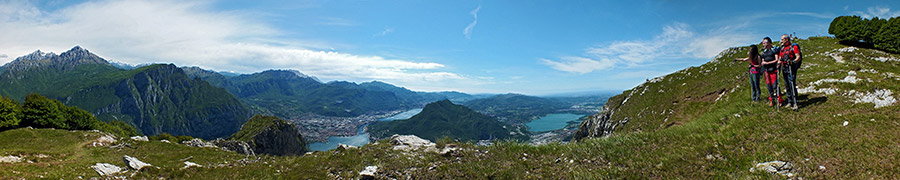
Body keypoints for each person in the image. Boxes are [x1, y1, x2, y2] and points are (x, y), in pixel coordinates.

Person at [778, 34, 802, 110]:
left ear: (786, 39)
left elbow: (798, 56)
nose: (781, 41)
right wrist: (779, 63)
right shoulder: (782, 49)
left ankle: (795, 102)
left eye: (782, 39)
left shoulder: (793, 47)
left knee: (792, 84)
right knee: (787, 85)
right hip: (784, 67)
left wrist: (793, 61)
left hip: (791, 67)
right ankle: (789, 101)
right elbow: (780, 58)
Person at [760, 37, 782, 107]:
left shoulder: (774, 50)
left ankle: (779, 100)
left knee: (775, 86)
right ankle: (772, 100)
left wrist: (767, 63)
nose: (763, 44)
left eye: (764, 42)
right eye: (763, 43)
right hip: (766, 71)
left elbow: (776, 59)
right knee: (769, 86)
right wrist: (763, 63)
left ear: (768, 42)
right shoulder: (764, 52)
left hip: (773, 70)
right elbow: (763, 60)